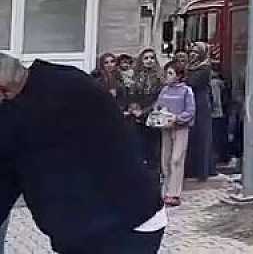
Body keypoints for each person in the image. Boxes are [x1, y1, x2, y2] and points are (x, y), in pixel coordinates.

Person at [0, 53, 166, 253]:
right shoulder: (65, 80)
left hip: (125, 224)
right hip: (96, 227)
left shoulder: (66, 91)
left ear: (4, 91)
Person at [152, 63, 195, 207]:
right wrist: (159, 113)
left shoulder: (186, 91)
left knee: (177, 159)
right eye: (167, 73)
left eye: (170, 73)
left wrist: (177, 118)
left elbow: (190, 111)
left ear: (179, 75)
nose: (168, 76)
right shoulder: (165, 90)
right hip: (166, 128)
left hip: (180, 128)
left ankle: (175, 193)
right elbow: (158, 105)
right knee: (166, 159)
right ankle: (166, 190)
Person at [129, 49, 164, 174]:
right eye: (146, 58)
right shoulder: (136, 77)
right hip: (138, 115)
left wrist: (145, 111)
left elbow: (160, 98)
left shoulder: (160, 77)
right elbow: (131, 95)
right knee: (139, 144)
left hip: (154, 114)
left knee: (154, 146)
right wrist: (135, 109)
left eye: (152, 58)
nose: (149, 61)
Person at [183, 42, 214, 181]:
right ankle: (190, 169)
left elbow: (192, 83)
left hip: (200, 104)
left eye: (196, 52)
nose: (193, 55)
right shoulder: (189, 67)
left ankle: (202, 170)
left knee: (201, 135)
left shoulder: (204, 68)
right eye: (191, 52)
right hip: (189, 101)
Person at [209, 63, 227, 171]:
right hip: (220, 113)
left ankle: (217, 158)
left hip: (214, 114)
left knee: (214, 137)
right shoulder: (220, 83)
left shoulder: (213, 84)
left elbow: (215, 100)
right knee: (219, 137)